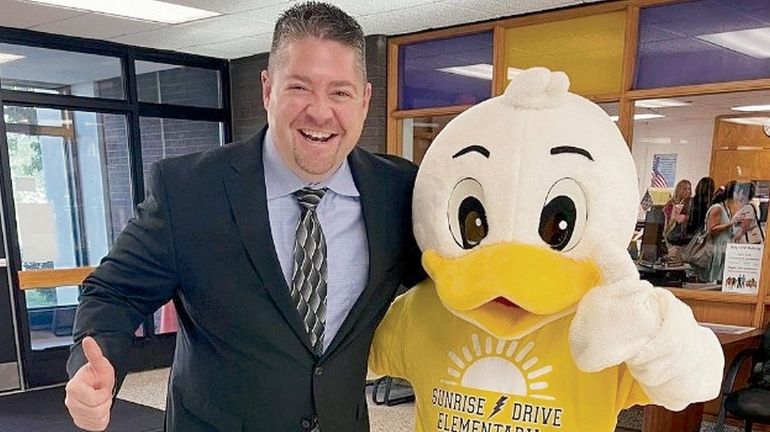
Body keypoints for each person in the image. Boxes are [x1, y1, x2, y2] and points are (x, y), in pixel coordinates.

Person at [64, 3, 424, 431]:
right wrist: (97, 365)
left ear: (364, 100)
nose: (321, 112)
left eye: (340, 92)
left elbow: (453, 280)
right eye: (300, 88)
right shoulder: (189, 191)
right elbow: (114, 293)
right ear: (268, 89)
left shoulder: (397, 192)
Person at [695, 181, 738, 283]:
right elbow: (712, 229)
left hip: (723, 247)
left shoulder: (726, 208)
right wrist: (730, 224)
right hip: (715, 248)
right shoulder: (718, 208)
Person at [662, 179, 691, 260]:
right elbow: (666, 221)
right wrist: (674, 216)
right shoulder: (670, 204)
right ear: (679, 190)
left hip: (686, 241)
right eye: (685, 189)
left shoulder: (691, 204)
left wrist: (686, 218)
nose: (687, 191)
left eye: (689, 189)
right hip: (672, 239)